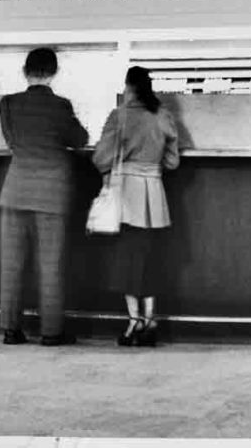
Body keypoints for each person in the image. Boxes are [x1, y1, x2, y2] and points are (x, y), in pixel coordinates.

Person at [0, 47, 89, 346]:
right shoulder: (61, 106)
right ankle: (51, 332)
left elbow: (11, 141)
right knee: (50, 265)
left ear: (25, 71)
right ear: (54, 72)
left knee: (12, 265)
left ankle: (11, 330)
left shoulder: (8, 104)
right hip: (52, 193)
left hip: (16, 190)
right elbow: (80, 140)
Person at [92, 66, 179, 347]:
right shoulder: (163, 115)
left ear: (128, 86)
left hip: (127, 194)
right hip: (154, 195)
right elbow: (172, 162)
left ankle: (134, 321)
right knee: (150, 259)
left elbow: (101, 157)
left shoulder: (120, 115)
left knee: (127, 260)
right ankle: (150, 318)